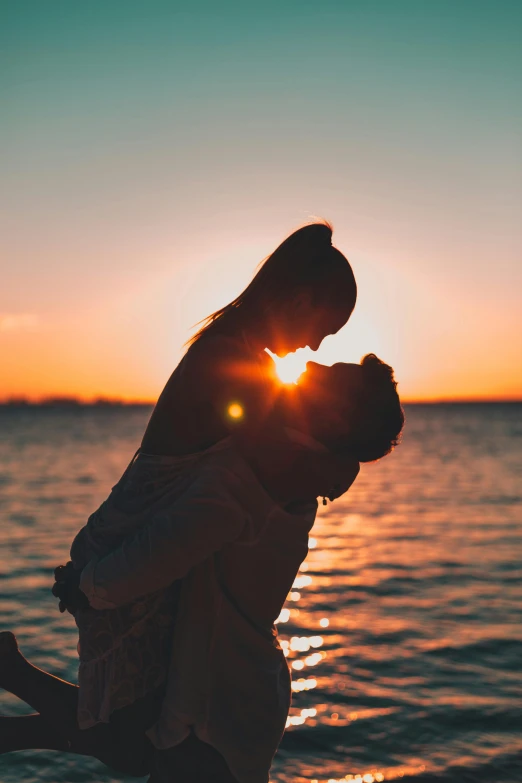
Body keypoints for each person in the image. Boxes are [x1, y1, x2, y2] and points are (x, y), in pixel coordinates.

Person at [0, 354, 404, 783]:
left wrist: (89, 585)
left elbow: (168, 546)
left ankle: (10, 683)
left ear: (337, 417)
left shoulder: (268, 476)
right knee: (126, 746)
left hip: (220, 702)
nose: (311, 367)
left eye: (329, 376)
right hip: (232, 690)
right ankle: (10, 687)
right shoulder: (293, 463)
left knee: (127, 748)